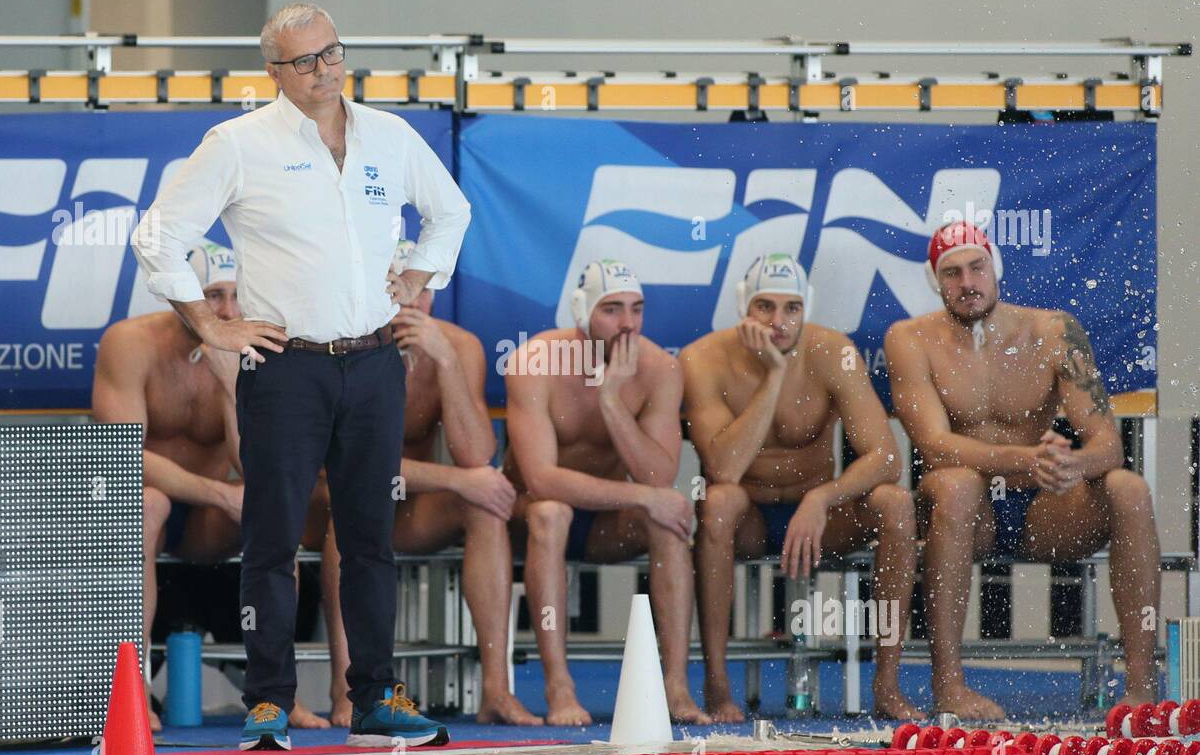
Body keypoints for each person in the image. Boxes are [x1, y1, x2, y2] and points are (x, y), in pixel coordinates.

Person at [130, 1, 469, 750]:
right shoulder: (239, 143)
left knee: (370, 539)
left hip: (377, 361)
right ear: (274, 71)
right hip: (287, 370)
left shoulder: (390, 135)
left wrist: (420, 276)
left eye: (332, 54)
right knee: (272, 538)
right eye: (305, 60)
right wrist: (209, 323)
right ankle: (268, 703)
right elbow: (158, 235)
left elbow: (451, 211)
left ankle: (376, 699)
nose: (324, 70)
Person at [243, 243, 540, 726]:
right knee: (352, 516)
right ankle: (348, 691)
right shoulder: (334, 346)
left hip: (404, 504)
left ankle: (496, 689)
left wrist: (446, 363)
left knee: (483, 506)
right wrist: (457, 479)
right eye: (398, 292)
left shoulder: (457, 345)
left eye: (420, 292)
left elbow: (477, 454)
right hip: (327, 499)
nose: (411, 306)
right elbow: (327, 464)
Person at [885, 220, 1161, 718]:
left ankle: (1141, 688)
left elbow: (1108, 445)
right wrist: (1024, 460)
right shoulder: (910, 339)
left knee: (1128, 489)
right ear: (935, 281)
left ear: (996, 268)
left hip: (1044, 511)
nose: (967, 283)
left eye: (977, 267)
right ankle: (950, 686)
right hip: (966, 516)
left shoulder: (1054, 331)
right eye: (952, 274)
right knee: (957, 484)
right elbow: (934, 445)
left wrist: (1071, 464)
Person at [93, 242, 331, 731]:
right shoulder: (129, 344)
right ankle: (133, 688)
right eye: (211, 296)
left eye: (234, 296)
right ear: (180, 295)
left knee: (273, 515)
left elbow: (256, 463)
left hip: (204, 521)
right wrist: (220, 493)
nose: (224, 311)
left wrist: (229, 385)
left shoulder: (257, 347)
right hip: (149, 502)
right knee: (149, 504)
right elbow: (122, 456)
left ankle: (276, 692)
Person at [680, 253, 919, 721]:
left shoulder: (834, 352)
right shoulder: (702, 359)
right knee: (717, 500)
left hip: (818, 518)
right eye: (764, 307)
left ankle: (887, 684)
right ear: (743, 309)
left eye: (791, 308)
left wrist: (821, 496)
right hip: (747, 517)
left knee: (896, 504)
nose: (778, 321)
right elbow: (725, 468)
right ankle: (716, 684)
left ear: (805, 308)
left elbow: (887, 456)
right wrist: (773, 375)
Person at [503, 260, 708, 726]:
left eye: (637, 309)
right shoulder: (536, 361)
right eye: (612, 310)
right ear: (581, 311)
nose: (628, 324)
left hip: (601, 524)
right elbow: (541, 479)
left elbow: (658, 476)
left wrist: (612, 400)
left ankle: (675, 684)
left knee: (669, 516)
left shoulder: (658, 368)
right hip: (527, 521)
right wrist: (640, 497)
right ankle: (559, 684)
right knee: (552, 512)